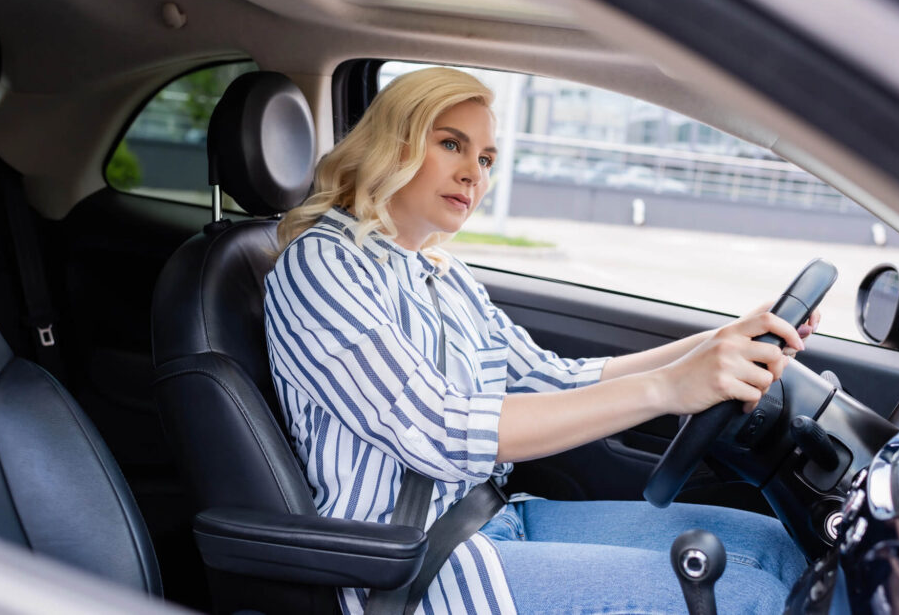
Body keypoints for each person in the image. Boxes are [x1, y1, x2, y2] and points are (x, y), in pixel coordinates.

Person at [264, 67, 814, 614]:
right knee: (751, 596)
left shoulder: (441, 273)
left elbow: (550, 378)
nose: (473, 174)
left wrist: (717, 342)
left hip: (493, 518)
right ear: (393, 145)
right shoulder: (321, 263)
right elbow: (440, 428)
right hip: (409, 569)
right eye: (452, 144)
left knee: (773, 548)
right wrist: (668, 388)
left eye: (484, 159)